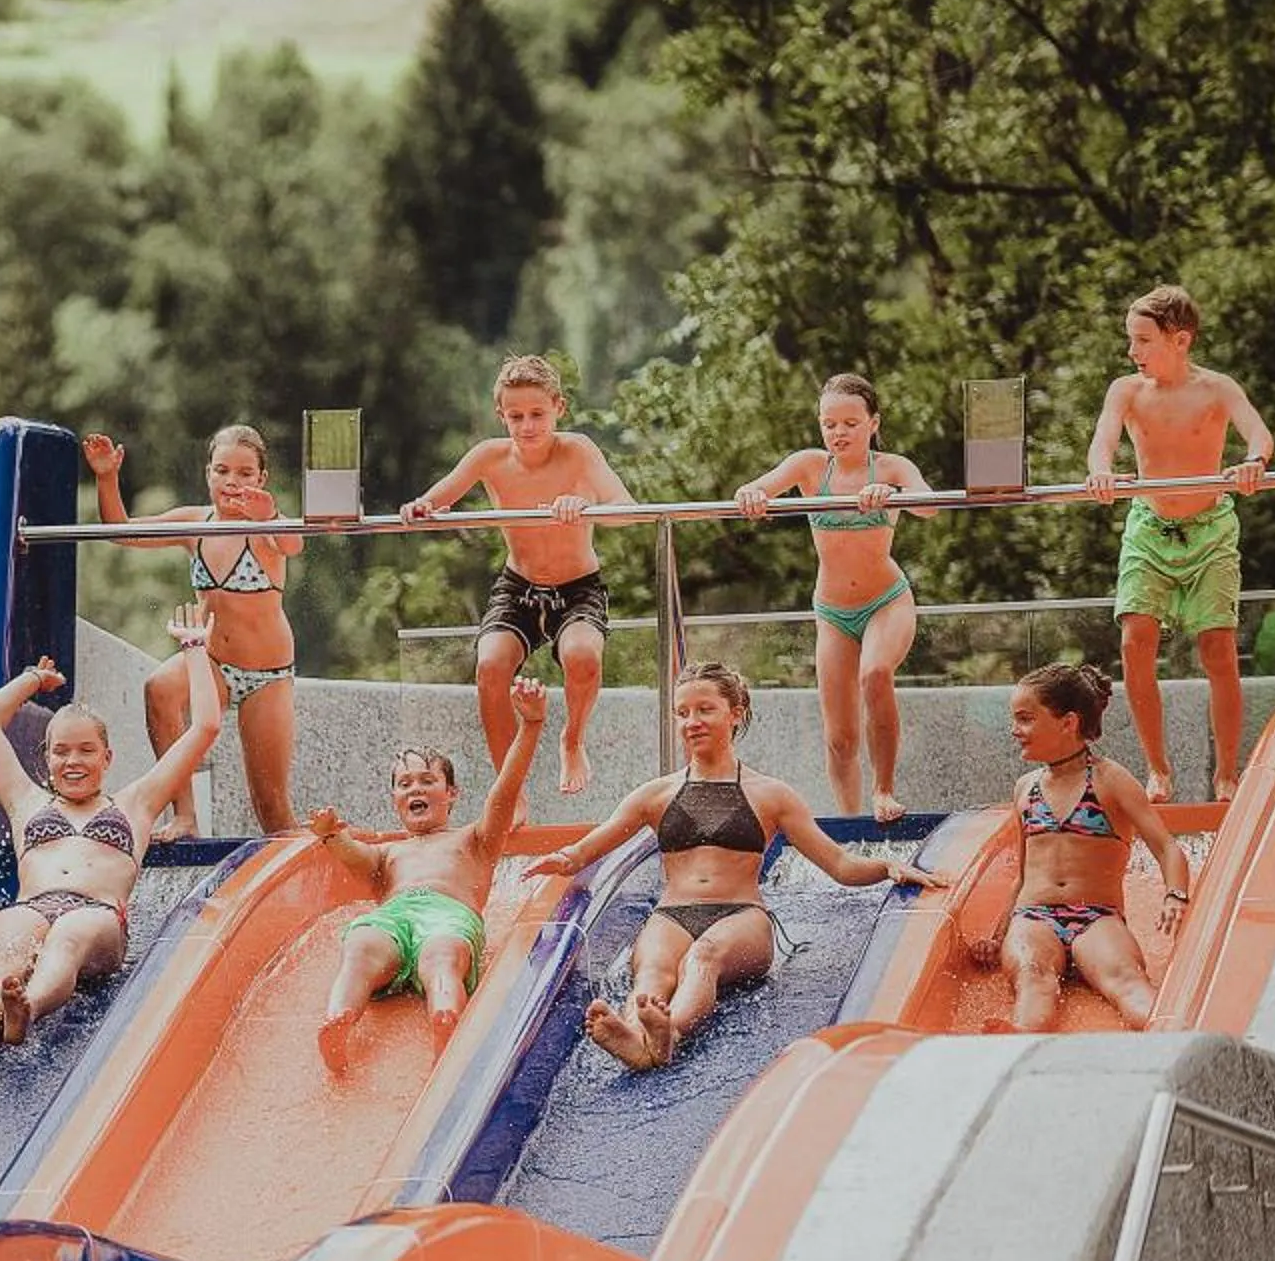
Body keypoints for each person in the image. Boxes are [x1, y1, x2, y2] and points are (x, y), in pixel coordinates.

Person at [529, 662, 942, 1072]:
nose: (692, 721)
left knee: (703, 956)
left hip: (741, 917)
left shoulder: (771, 795)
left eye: (705, 709)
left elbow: (837, 863)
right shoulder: (654, 795)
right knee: (653, 971)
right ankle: (638, 1040)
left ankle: (668, 1034)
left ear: (736, 712)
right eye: (683, 712)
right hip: (672, 915)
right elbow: (586, 850)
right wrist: (561, 860)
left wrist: (888, 866)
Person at [0, 604, 225, 1052]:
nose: (73, 762)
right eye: (61, 752)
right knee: (11, 937)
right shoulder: (25, 801)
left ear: (107, 758)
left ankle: (25, 1008)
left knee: (69, 936)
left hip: (97, 916)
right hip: (34, 905)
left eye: (86, 751)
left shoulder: (137, 803)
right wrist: (33, 679)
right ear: (48, 759)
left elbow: (206, 726)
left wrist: (193, 649)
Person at [399, 355, 639, 799]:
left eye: (537, 415)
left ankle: (573, 739)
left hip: (578, 587)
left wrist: (584, 506)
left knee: (583, 656)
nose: (527, 426)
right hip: (519, 585)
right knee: (490, 665)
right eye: (516, 417)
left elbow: (626, 512)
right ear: (501, 415)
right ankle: (510, 789)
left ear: (558, 409)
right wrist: (419, 507)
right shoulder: (489, 457)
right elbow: (439, 497)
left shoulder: (579, 451)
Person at [1084, 283, 1274, 802]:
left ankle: (1227, 773)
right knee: (1134, 640)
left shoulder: (1216, 388)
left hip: (1210, 529)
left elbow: (1259, 436)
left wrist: (1253, 464)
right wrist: (1101, 473)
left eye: (1143, 340)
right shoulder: (1126, 390)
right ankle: (1159, 769)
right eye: (1131, 340)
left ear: (1180, 340)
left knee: (1217, 648)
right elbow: (1102, 442)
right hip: (1149, 528)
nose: (1132, 352)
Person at [307, 675, 548, 1072]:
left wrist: (530, 726)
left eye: (427, 780)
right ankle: (339, 1019)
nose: (415, 788)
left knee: (441, 954)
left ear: (451, 793)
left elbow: (504, 790)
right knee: (362, 943)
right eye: (404, 784)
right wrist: (331, 835)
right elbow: (352, 857)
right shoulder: (387, 853)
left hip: (448, 916)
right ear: (395, 799)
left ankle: (445, 1018)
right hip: (394, 916)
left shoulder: (475, 839)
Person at [734, 373, 940, 824]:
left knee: (876, 673)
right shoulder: (811, 466)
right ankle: (850, 823)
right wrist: (751, 495)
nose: (838, 433)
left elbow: (929, 505)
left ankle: (884, 790)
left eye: (850, 423)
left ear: (873, 423)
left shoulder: (890, 468)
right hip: (831, 612)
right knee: (840, 737)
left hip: (886, 600)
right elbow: (757, 488)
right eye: (829, 424)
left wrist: (894, 493)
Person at [84, 425, 302, 836]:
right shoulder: (193, 523)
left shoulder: (268, 526)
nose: (232, 482)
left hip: (266, 676)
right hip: (214, 665)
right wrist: (107, 477)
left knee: (272, 810)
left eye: (244, 473)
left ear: (261, 479)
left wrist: (270, 515)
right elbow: (121, 531)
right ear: (208, 474)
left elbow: (293, 545)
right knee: (160, 688)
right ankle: (185, 814)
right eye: (222, 471)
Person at [973, 663, 1188, 1031]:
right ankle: (1016, 1044)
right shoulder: (1026, 787)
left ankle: (1174, 1037)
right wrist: (996, 935)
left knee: (1126, 980)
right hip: (1034, 917)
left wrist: (1176, 895)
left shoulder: (1110, 780)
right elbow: (1023, 875)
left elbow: (1167, 847)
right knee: (1032, 976)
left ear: (1068, 722)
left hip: (1096, 916)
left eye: (1025, 719)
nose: (1015, 730)